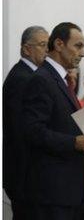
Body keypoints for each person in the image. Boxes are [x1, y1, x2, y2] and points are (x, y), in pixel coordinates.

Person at [21, 22, 84, 220]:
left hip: (70, 189)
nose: (83, 53)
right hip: (53, 192)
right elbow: (32, 131)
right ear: (58, 44)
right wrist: (73, 142)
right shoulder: (42, 79)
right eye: (78, 46)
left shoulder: (60, 79)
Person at [3, 25, 49, 219]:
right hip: (25, 173)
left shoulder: (31, 75)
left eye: (48, 44)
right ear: (26, 49)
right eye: (42, 45)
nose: (47, 50)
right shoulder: (23, 78)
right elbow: (20, 130)